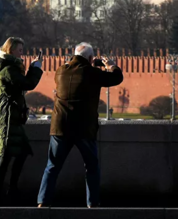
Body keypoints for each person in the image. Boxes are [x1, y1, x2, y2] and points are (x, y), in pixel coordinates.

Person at [37, 42, 123, 208]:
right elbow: (116, 78)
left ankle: (43, 201)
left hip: (60, 126)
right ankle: (92, 203)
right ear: (91, 58)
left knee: (52, 166)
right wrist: (111, 66)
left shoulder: (61, 71)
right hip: (83, 128)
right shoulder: (92, 73)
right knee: (91, 167)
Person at [0, 37, 43, 204]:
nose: (22, 53)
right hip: (7, 117)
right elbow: (27, 84)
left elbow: (21, 86)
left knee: (22, 152)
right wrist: (35, 68)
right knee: (5, 157)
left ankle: (10, 189)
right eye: (20, 50)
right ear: (11, 50)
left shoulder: (11, 68)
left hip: (12, 116)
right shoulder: (8, 69)